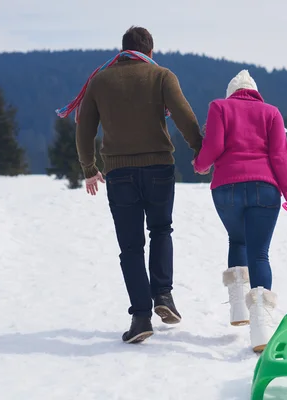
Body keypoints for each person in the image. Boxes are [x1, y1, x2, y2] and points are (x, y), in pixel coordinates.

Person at [68, 26, 204, 343]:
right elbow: (185, 116)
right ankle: (164, 296)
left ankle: (141, 317)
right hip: (159, 167)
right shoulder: (162, 76)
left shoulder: (100, 80)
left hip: (119, 173)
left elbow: (83, 129)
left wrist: (89, 168)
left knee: (130, 246)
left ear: (123, 49)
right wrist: (200, 149)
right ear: (149, 52)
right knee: (161, 230)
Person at [193, 69, 287, 353]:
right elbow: (280, 155)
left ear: (232, 93)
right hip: (265, 189)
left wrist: (201, 164)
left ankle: (238, 310)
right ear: (255, 92)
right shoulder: (272, 113)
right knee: (259, 253)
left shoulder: (219, 107)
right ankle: (261, 329)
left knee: (237, 239)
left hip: (226, 190)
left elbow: (214, 145)